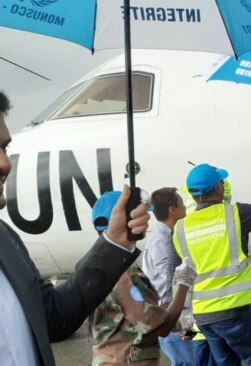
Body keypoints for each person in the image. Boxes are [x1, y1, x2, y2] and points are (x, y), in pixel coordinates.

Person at [0, 90, 150, 366]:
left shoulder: (5, 241)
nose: (5, 164)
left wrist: (114, 242)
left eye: (4, 148)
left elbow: (53, 318)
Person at [173, 163, 251, 366]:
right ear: (218, 188)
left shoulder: (180, 229)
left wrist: (185, 323)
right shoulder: (234, 214)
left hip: (204, 317)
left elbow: (182, 277)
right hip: (234, 311)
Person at [89, 191, 198, 366]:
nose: (146, 219)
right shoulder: (125, 274)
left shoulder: (96, 266)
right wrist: (183, 284)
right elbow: (160, 328)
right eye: (139, 214)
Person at [142, 187, 195, 365]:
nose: (186, 210)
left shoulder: (169, 235)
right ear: (173, 210)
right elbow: (166, 283)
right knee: (186, 361)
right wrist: (172, 321)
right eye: (182, 205)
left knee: (192, 358)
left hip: (180, 315)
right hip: (170, 315)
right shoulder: (162, 241)